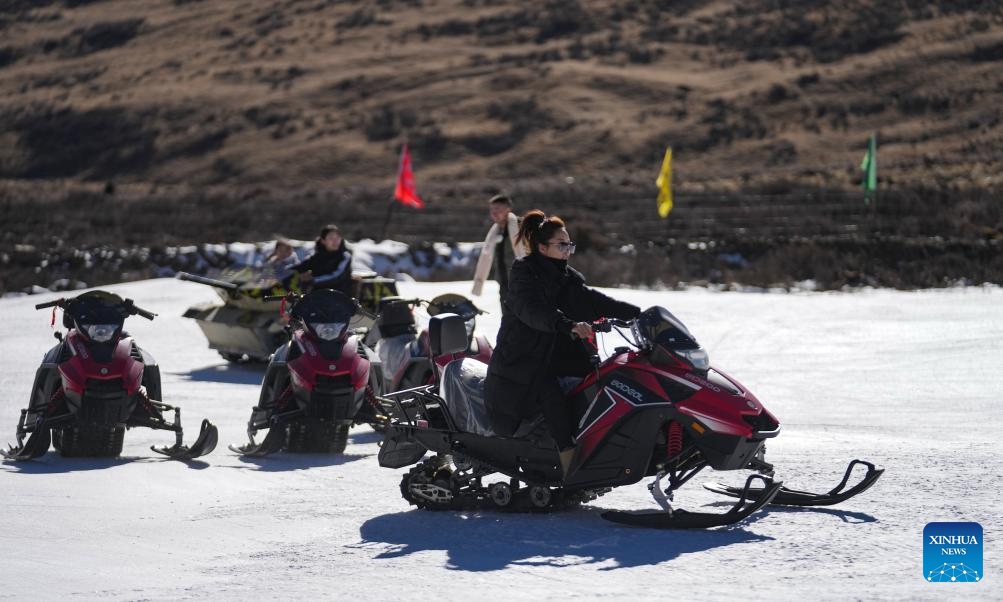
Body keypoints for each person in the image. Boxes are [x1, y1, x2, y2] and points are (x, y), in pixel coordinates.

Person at [483, 210, 640, 477]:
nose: (568, 250)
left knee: (598, 376)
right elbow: (533, 311)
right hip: (522, 361)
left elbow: (593, 301)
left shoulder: (566, 278)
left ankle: (600, 446)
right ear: (543, 247)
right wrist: (566, 325)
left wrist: (637, 314)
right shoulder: (524, 276)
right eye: (562, 244)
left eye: (570, 244)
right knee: (548, 390)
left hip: (552, 353)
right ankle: (568, 459)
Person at [471, 194, 526, 308]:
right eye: (492, 209)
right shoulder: (494, 232)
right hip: (504, 281)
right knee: (507, 316)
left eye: (498, 208)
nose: (494, 212)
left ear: (508, 209)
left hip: (522, 281)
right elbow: (486, 257)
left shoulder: (520, 226)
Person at [291, 225, 354, 297]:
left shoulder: (345, 256)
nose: (335, 241)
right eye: (331, 238)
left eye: (337, 238)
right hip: (318, 296)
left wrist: (313, 280)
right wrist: (299, 275)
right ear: (323, 241)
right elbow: (300, 268)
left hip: (340, 297)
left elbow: (337, 276)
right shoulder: (317, 257)